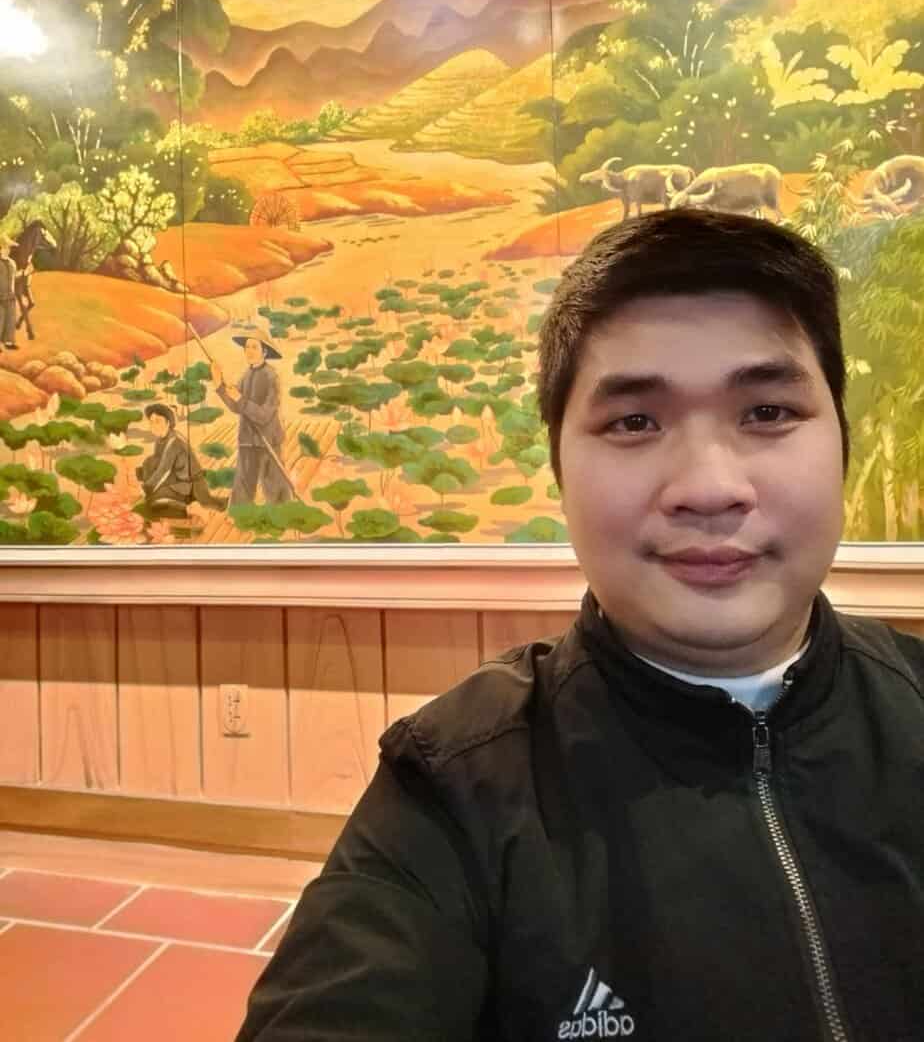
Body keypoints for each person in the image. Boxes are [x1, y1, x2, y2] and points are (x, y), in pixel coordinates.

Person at [234, 208, 924, 1042]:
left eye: (768, 412)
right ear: (559, 466)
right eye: (635, 422)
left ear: (842, 437)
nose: (709, 488)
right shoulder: (454, 789)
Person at [211, 329, 290, 505]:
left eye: (254, 347)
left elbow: (264, 415)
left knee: (275, 488)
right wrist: (219, 386)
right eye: (247, 347)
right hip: (247, 440)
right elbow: (236, 407)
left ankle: (284, 516)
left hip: (268, 440)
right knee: (242, 487)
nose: (249, 351)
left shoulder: (272, 377)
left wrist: (240, 399)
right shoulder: (246, 376)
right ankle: (240, 515)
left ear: (264, 352)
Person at [136, 402, 226, 517]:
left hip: (191, 486)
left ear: (168, 422)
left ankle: (190, 510)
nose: (153, 425)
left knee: (153, 502)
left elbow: (163, 470)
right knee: (149, 462)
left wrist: (146, 488)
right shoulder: (160, 440)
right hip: (178, 480)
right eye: (151, 421)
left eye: (158, 421)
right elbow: (156, 464)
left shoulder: (174, 443)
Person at [0, 233, 19, 350]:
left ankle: (9, 341)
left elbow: (14, 277)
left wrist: (24, 273)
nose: (8, 250)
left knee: (10, 318)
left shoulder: (12, 263)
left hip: (10, 296)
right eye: (6, 247)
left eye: (9, 247)